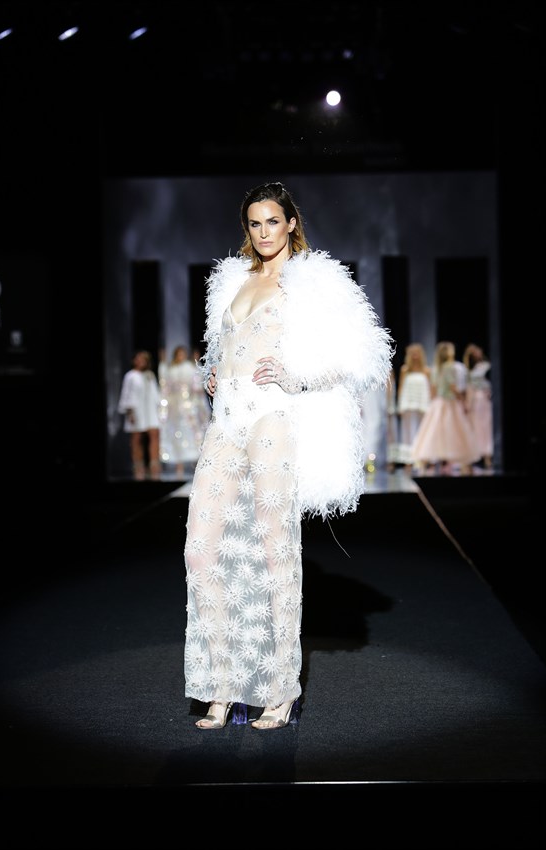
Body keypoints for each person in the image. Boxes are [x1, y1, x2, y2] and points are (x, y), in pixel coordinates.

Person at [183, 181, 393, 730]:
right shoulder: (235, 279)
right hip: (225, 422)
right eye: (254, 224)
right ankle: (224, 686)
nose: (263, 232)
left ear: (292, 223)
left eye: (272, 221)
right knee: (201, 552)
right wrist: (213, 371)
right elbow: (226, 345)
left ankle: (280, 691)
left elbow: (362, 357)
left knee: (278, 553)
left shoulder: (313, 281)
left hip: (273, 420)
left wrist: (296, 377)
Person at [410, 340, 479, 476]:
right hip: (449, 403)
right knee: (453, 432)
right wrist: (462, 399)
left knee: (434, 433)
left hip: (437, 403)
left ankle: (429, 463)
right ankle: (458, 463)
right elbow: (453, 387)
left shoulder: (435, 369)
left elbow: (433, 390)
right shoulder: (450, 367)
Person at [158, 344, 210, 478]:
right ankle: (179, 467)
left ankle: (197, 466)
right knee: (176, 433)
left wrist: (196, 364)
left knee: (193, 432)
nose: (181, 356)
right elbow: (166, 386)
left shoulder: (189, 368)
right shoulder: (171, 369)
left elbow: (196, 384)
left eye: (183, 354)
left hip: (188, 405)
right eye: (178, 354)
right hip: (175, 406)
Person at [117, 350, 162, 481]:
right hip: (136, 410)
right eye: (139, 359)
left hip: (150, 410)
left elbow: (155, 393)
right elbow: (126, 393)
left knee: (154, 434)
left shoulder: (149, 375)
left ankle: (154, 462)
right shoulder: (130, 376)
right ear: (134, 360)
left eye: (144, 359)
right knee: (137, 438)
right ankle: (138, 464)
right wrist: (129, 411)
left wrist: (159, 407)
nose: (141, 361)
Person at [396, 342, 432, 475]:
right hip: (408, 405)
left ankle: (422, 458)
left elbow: (430, 389)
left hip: (423, 405)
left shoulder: (426, 370)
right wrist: (400, 405)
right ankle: (408, 459)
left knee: (422, 431)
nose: (415, 356)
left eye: (417, 353)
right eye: (413, 353)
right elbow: (401, 388)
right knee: (408, 432)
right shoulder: (405, 370)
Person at [463, 343, 494, 472]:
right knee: (475, 427)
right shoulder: (468, 371)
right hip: (474, 400)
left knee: (485, 427)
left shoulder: (486, 367)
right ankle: (475, 456)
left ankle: (487, 456)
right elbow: (468, 387)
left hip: (483, 400)